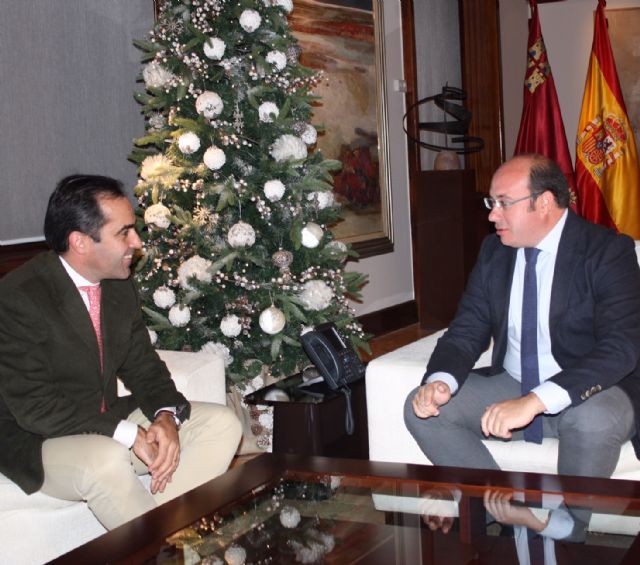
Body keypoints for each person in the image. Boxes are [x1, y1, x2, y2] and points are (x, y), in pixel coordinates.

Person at [0, 175, 242, 530]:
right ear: (80, 242)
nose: (137, 242)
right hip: (37, 437)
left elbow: (143, 366)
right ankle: (159, 550)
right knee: (106, 457)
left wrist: (165, 418)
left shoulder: (118, 284)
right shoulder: (19, 297)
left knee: (222, 424)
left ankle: (155, 538)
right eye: (123, 232)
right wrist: (126, 434)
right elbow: (37, 407)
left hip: (103, 420)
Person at [404, 154, 640, 482]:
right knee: (423, 412)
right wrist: (441, 381)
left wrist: (535, 400)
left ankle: (568, 528)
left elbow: (621, 347)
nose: (491, 214)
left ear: (543, 203)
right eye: (491, 201)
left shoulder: (606, 252)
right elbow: (466, 329)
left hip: (592, 390)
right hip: (514, 381)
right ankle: (501, 511)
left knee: (590, 421)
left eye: (503, 203)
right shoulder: (494, 252)